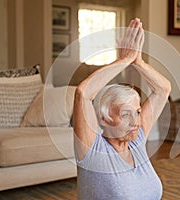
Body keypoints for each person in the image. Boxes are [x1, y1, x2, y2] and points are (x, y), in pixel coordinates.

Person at [73, 18, 171, 200]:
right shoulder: (93, 151)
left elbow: (163, 89)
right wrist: (123, 60)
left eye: (138, 112)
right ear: (104, 119)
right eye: (126, 114)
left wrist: (138, 61)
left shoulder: (136, 140)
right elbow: (82, 93)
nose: (135, 121)